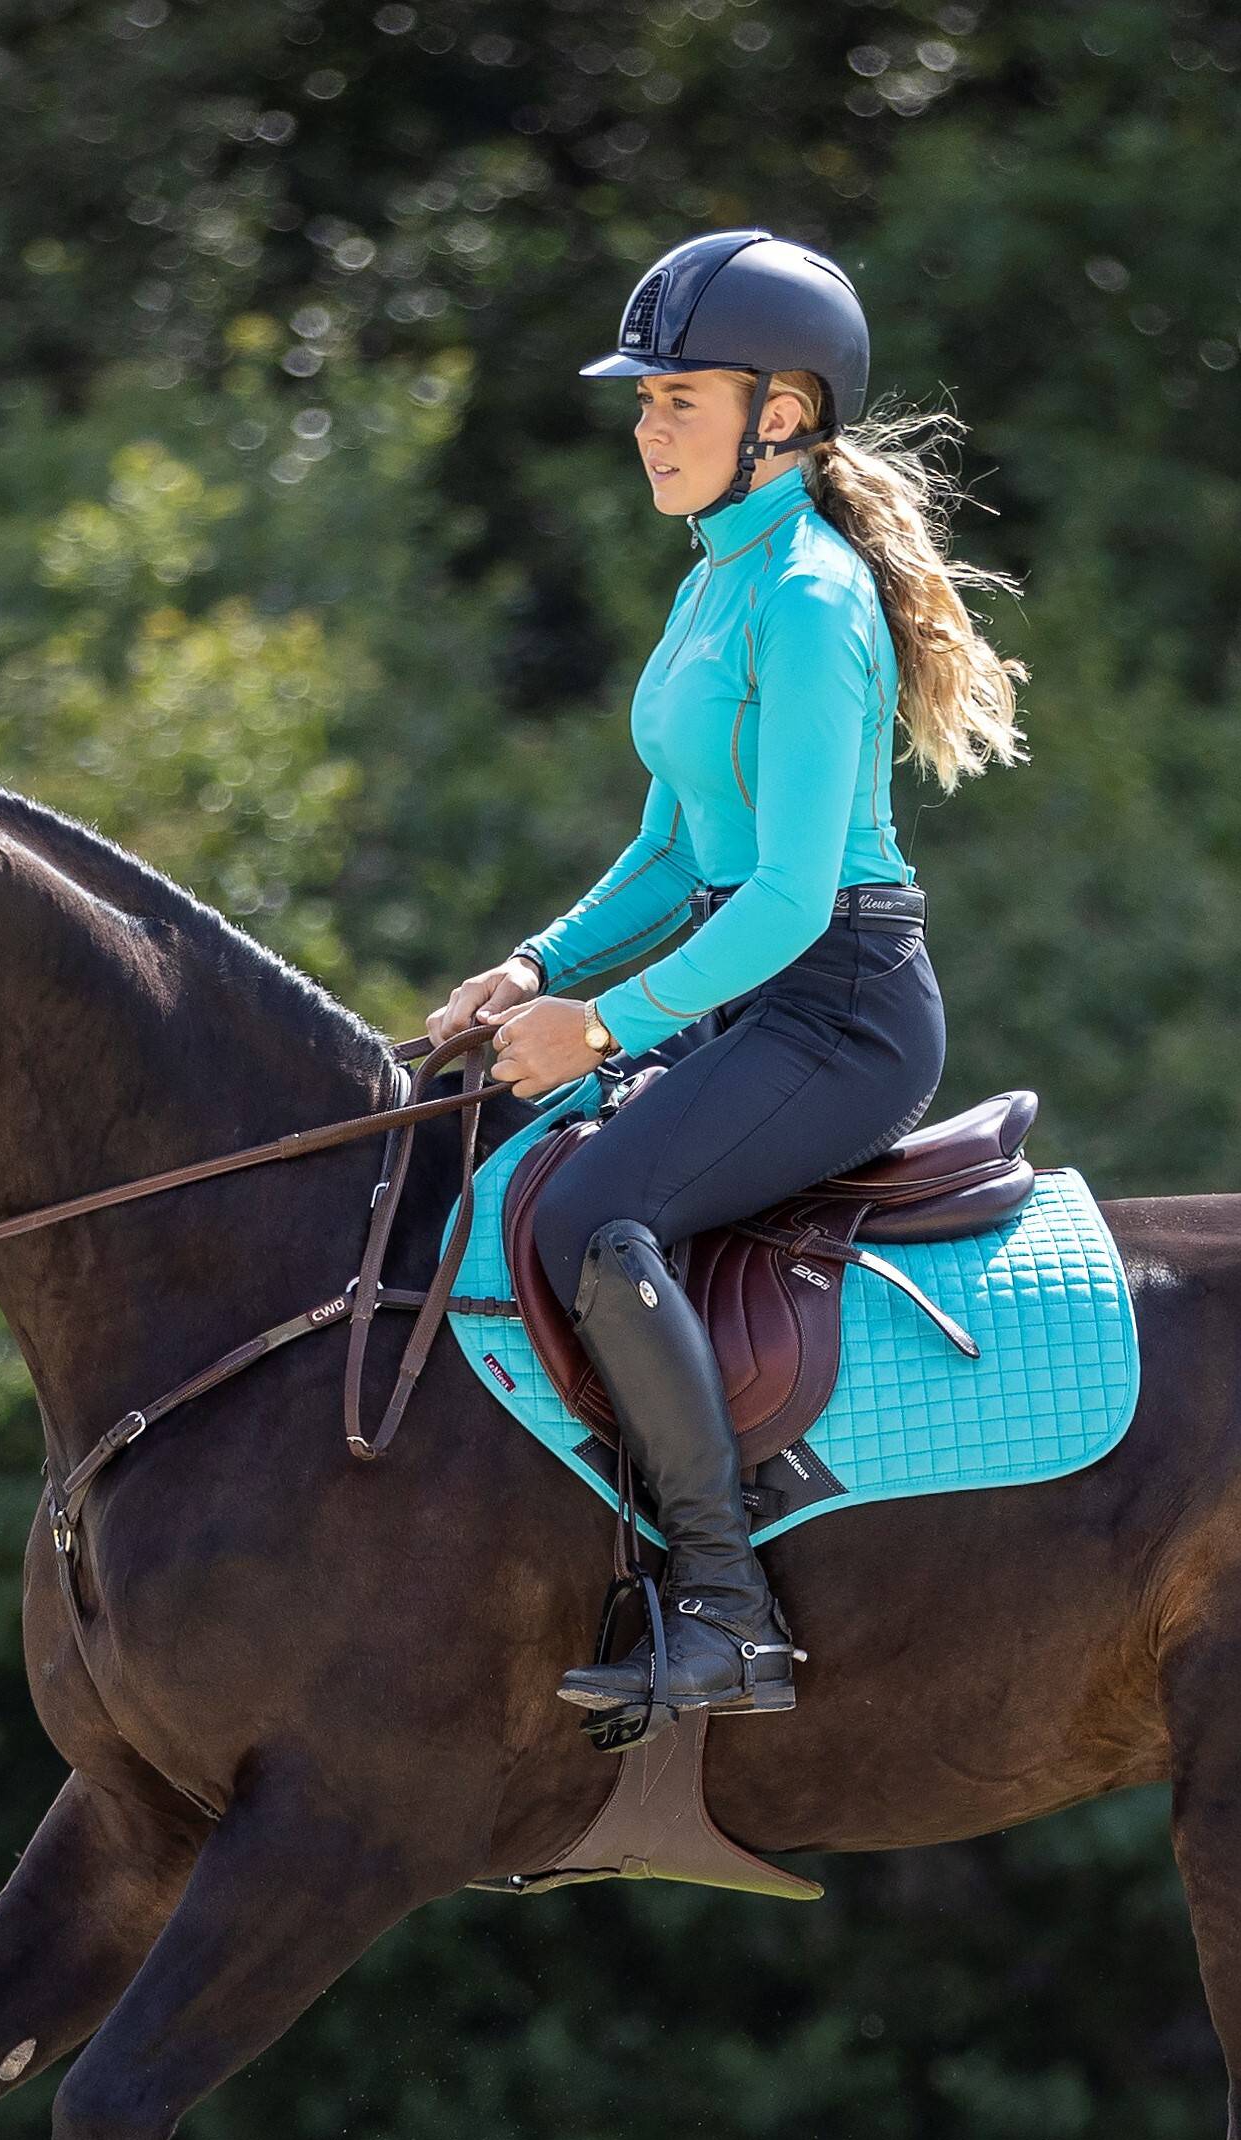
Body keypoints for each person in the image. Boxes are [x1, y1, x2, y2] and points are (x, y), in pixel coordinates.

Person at [424, 228, 1030, 1725]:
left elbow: (788, 896)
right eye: (640, 402)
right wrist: (529, 968)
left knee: (589, 1209)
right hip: (753, 984)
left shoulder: (812, 603)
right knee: (507, 1175)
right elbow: (664, 848)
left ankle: (725, 1612)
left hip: (840, 1005)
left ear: (781, 412)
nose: (645, 428)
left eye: (673, 400)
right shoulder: (713, 583)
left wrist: (605, 1026)